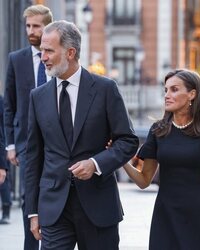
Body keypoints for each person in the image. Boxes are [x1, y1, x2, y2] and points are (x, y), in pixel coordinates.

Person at [24, 20, 139, 250]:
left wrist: (96, 163)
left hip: (98, 206)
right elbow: (33, 157)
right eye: (42, 50)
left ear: (70, 52)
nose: (42, 56)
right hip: (54, 208)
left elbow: (127, 141)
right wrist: (33, 211)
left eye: (48, 50)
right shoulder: (38, 97)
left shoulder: (106, 89)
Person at [122, 69, 200, 249]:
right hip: (165, 219)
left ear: (192, 94)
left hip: (199, 218)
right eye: (166, 90)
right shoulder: (158, 130)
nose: (167, 95)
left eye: (174, 89)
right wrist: (122, 161)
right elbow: (144, 181)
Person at [4, 4, 53, 249]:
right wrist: (11, 144)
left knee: (52, 196)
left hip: (55, 141)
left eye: (36, 26)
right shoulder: (16, 59)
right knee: (28, 198)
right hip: (25, 142)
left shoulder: (59, 58)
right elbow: (9, 105)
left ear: (48, 28)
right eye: (27, 26)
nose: (30, 31)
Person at [0, 95, 12, 224]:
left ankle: (6, 212)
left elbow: (3, 129)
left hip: (3, 147)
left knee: (3, 180)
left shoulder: (1, 101)